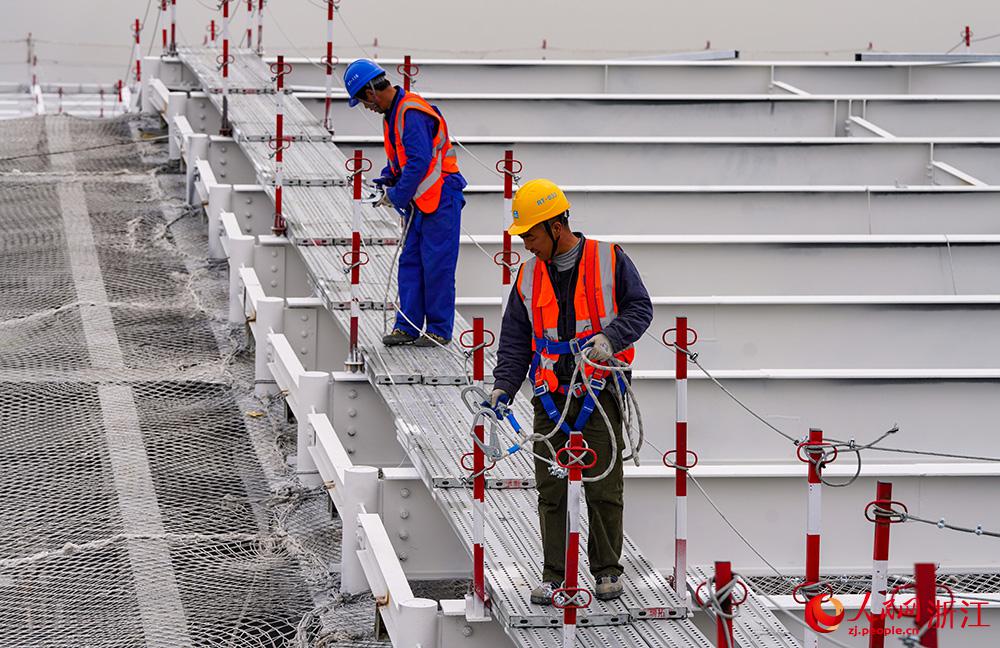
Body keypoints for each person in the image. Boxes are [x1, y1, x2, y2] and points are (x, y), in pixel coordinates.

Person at [489, 179, 653, 605]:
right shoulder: (526, 276)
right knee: (551, 486)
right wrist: (503, 388)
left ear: (556, 227)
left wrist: (609, 339)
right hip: (550, 392)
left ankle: (606, 571)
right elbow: (515, 339)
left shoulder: (608, 258)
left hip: (600, 388)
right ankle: (556, 576)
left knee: (602, 482)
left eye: (531, 234)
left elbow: (640, 308)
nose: (527, 244)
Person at [343, 59, 466, 347]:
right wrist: (387, 179)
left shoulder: (410, 112)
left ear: (371, 92)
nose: (366, 108)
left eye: (363, 101)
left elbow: (420, 162)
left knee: (437, 264)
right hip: (421, 199)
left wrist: (396, 195)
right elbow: (402, 160)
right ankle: (407, 325)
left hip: (441, 196)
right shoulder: (395, 113)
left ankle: (438, 329)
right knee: (411, 261)